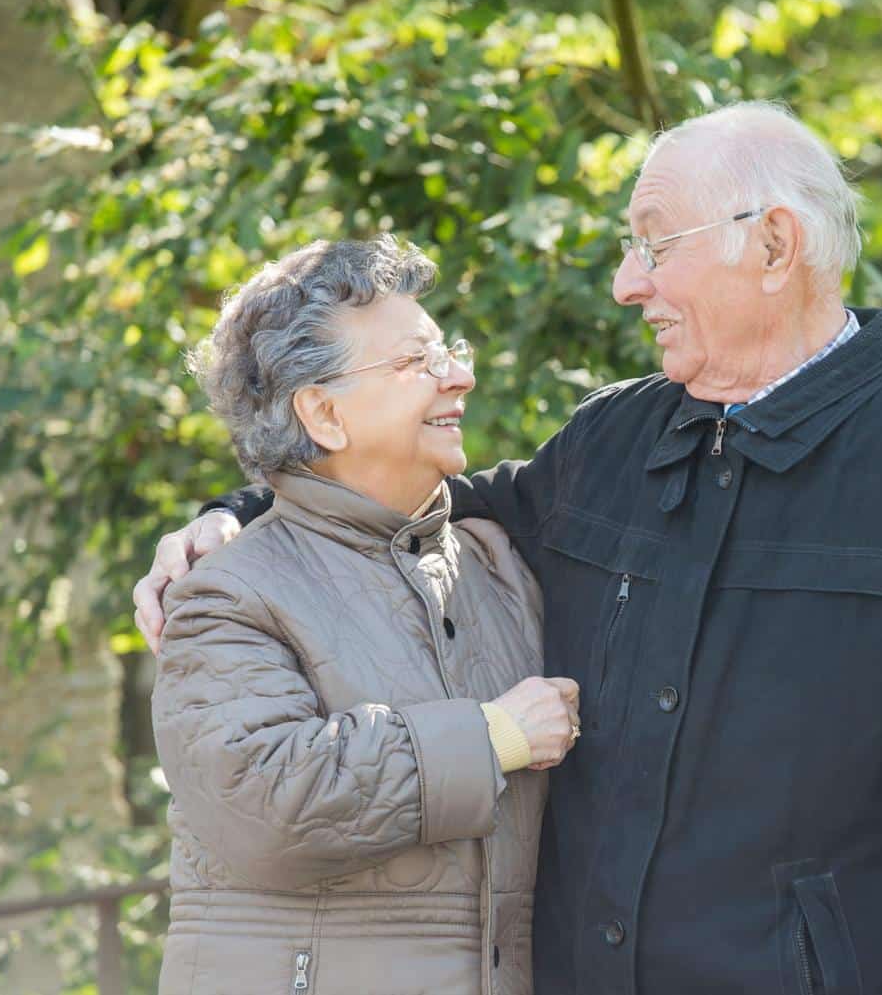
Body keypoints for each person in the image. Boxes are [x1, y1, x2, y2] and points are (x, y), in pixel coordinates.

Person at [136, 104, 882, 995]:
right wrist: (237, 515)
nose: (626, 282)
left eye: (653, 245)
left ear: (774, 244)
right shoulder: (619, 431)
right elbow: (433, 504)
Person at [147, 236, 580, 995]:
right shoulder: (225, 592)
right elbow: (264, 801)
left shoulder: (501, 566)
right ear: (323, 412)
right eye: (420, 362)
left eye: (453, 352)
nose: (462, 377)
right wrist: (494, 737)